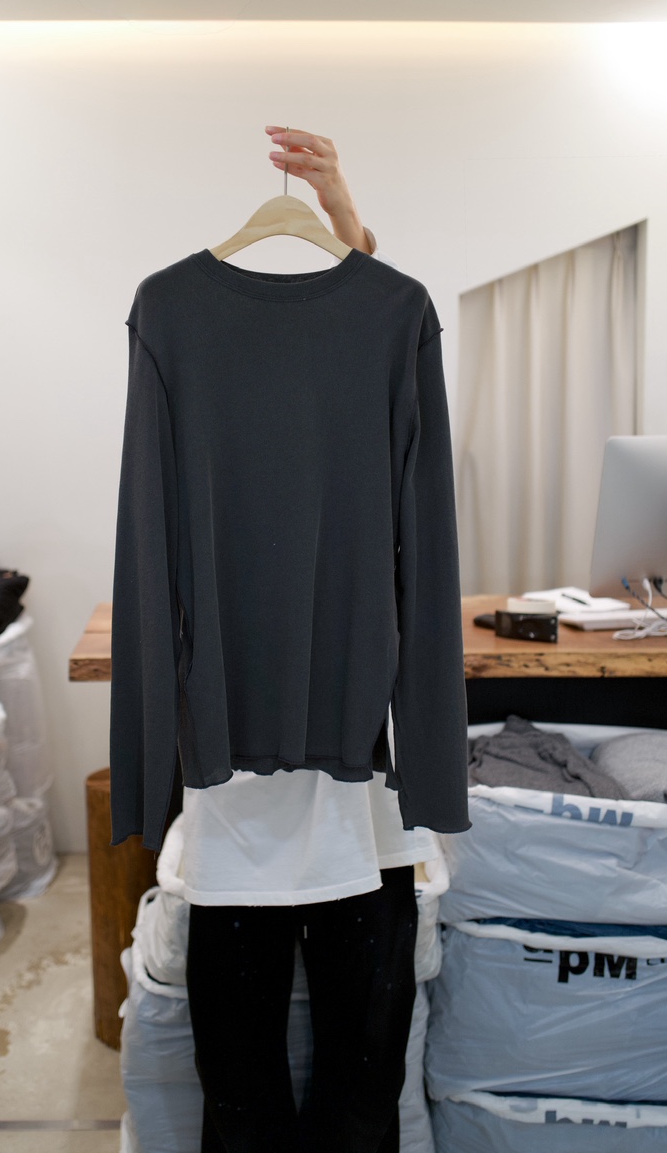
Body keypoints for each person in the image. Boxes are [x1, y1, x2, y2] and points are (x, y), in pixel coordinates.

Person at [180, 126, 433, 1153]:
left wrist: (343, 218)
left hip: (358, 762)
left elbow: (365, 326)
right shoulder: (181, 321)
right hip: (240, 765)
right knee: (246, 1071)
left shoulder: (389, 323)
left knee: (359, 1061)